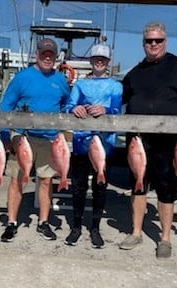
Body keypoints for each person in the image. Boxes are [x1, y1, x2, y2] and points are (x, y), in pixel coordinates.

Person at [120, 22, 177, 258]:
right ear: (143, 43)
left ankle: (165, 238)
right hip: (137, 140)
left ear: (165, 42)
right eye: (149, 41)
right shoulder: (134, 73)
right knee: (138, 186)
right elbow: (118, 99)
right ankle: (136, 232)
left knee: (166, 188)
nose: (154, 45)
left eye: (158, 40)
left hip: (168, 142)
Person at [0, 38, 70, 242]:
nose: (47, 58)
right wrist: (5, 134)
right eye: (43, 54)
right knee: (16, 180)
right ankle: (11, 222)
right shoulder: (22, 78)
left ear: (56, 58)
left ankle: (43, 222)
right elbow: (6, 106)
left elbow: (67, 103)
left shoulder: (61, 80)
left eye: (51, 55)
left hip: (49, 140)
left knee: (46, 181)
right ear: (36, 55)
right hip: (23, 138)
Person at [62, 44, 122, 248]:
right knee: (78, 187)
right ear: (91, 61)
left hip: (105, 145)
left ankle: (95, 228)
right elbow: (69, 106)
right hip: (81, 142)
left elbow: (116, 109)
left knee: (100, 186)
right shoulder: (80, 85)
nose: (99, 61)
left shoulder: (116, 85)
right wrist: (75, 107)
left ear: (108, 62)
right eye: (96, 58)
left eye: (103, 59)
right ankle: (76, 226)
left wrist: (105, 109)